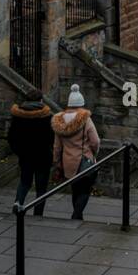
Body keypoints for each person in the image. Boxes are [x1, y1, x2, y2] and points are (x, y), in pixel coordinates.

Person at [52, 84, 100, 221]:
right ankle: (76, 215)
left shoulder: (59, 121)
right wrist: (94, 153)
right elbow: (95, 141)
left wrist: (57, 162)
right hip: (84, 160)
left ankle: (78, 216)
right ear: (82, 104)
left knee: (75, 190)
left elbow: (57, 146)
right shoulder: (86, 120)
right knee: (85, 190)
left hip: (68, 162)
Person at [8, 94, 53, 216]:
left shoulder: (18, 116)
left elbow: (11, 137)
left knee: (24, 182)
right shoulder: (46, 116)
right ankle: (38, 214)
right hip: (43, 156)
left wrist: (19, 151)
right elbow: (51, 138)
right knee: (41, 188)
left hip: (25, 155)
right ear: (40, 100)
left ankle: (18, 203)